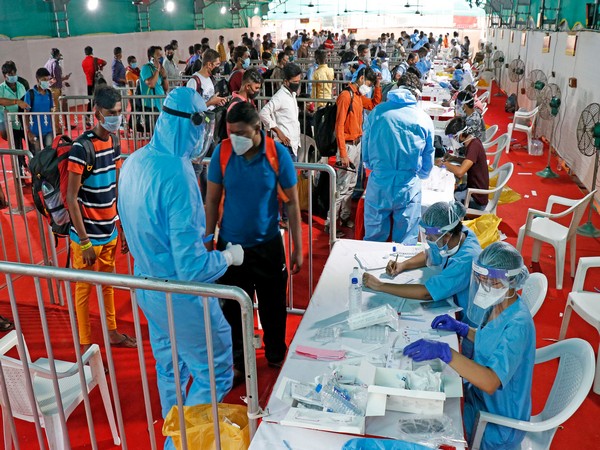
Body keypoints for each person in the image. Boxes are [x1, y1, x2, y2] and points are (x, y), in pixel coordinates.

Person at [118, 86, 243, 424]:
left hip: (146, 285)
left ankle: (172, 430)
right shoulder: (177, 174)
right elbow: (191, 268)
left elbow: (140, 227)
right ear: (194, 124)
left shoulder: (135, 160)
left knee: (170, 366)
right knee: (213, 373)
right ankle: (185, 443)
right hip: (179, 295)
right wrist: (228, 258)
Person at [205, 102, 302, 383]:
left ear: (257, 129)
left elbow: (293, 203)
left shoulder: (276, 154)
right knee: (233, 310)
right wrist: (208, 240)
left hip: (268, 245)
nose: (235, 138)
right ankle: (238, 361)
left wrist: (298, 246)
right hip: (231, 250)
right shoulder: (222, 154)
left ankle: (275, 354)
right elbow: (211, 200)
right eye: (230, 132)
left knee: (273, 307)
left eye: (241, 132)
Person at [402, 242, 533, 450]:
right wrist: (463, 329)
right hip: (477, 398)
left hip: (497, 422)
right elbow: (490, 340)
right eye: (482, 280)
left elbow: (491, 381)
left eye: (494, 282)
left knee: (422, 430)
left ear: (513, 281)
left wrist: (445, 352)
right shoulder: (497, 304)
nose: (485, 287)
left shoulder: (518, 324)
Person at [65, 86, 136, 353]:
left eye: (119, 112)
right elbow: (72, 198)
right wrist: (83, 241)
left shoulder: (115, 143)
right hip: (87, 237)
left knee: (107, 286)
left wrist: (122, 228)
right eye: (111, 113)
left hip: (109, 232)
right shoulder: (81, 148)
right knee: (84, 290)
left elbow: (115, 188)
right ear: (97, 113)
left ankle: (112, 332)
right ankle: (85, 347)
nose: (116, 118)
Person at [363, 200, 481, 311]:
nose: (428, 239)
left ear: (447, 236)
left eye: (430, 236)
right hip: (452, 296)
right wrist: (403, 265)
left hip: (465, 312)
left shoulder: (465, 261)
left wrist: (380, 285)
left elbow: (427, 293)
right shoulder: (456, 233)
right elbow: (429, 255)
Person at [362, 75, 434, 244]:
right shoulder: (422, 118)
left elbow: (365, 152)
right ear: (417, 95)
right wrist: (421, 175)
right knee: (406, 241)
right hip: (408, 185)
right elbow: (428, 157)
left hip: (379, 182)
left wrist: (375, 166)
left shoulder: (377, 113)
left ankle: (370, 267)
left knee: (373, 239)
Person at [328, 67, 381, 235]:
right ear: (361, 78)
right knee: (342, 186)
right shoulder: (346, 96)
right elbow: (339, 126)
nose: (369, 87)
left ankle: (343, 216)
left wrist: (378, 86)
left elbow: (374, 104)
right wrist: (343, 153)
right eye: (369, 83)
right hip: (348, 146)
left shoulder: (359, 96)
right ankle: (331, 224)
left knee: (351, 185)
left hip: (357, 145)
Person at [442, 117, 489, 211]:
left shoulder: (473, 147)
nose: (453, 140)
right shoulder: (473, 141)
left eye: (453, 137)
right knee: (451, 187)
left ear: (461, 135)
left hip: (476, 199)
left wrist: (445, 163)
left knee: (446, 200)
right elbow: (469, 161)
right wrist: (453, 158)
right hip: (472, 188)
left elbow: (460, 172)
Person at [259, 63, 302, 161]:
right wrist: (278, 131)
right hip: (284, 146)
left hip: (292, 145)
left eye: (298, 81)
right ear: (286, 81)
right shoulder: (280, 97)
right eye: (295, 81)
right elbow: (263, 113)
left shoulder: (292, 95)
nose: (297, 84)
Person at [0, 61, 28, 174]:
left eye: (14, 73)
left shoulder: (21, 85)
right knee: (17, 149)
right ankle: (20, 173)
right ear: (4, 75)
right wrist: (16, 102)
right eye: (10, 74)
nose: (13, 76)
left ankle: (31, 168)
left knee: (31, 146)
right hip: (10, 124)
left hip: (23, 122)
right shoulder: (1, 88)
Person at [23, 67, 54, 152]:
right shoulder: (30, 94)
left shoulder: (49, 93)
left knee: (49, 153)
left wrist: (53, 128)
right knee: (38, 154)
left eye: (48, 79)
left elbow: (50, 111)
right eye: (44, 79)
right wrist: (28, 131)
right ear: (38, 79)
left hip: (48, 130)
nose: (47, 82)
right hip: (35, 131)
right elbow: (26, 114)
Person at [44, 48, 71, 130]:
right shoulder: (55, 64)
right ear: (57, 54)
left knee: (53, 108)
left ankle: (54, 126)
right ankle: (56, 128)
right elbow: (56, 78)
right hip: (55, 88)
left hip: (49, 87)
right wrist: (64, 78)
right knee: (56, 108)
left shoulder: (47, 63)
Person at [140, 45, 168, 112]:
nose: (161, 57)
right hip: (151, 107)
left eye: (161, 55)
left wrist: (164, 77)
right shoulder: (146, 68)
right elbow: (151, 84)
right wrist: (157, 70)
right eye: (158, 55)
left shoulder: (159, 70)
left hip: (161, 104)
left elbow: (166, 88)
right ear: (151, 57)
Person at [82, 46, 107, 115]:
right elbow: (105, 62)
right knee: (100, 99)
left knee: (91, 100)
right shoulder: (95, 60)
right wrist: (100, 67)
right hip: (97, 83)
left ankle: (88, 116)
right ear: (92, 51)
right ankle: (101, 115)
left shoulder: (83, 62)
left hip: (89, 84)